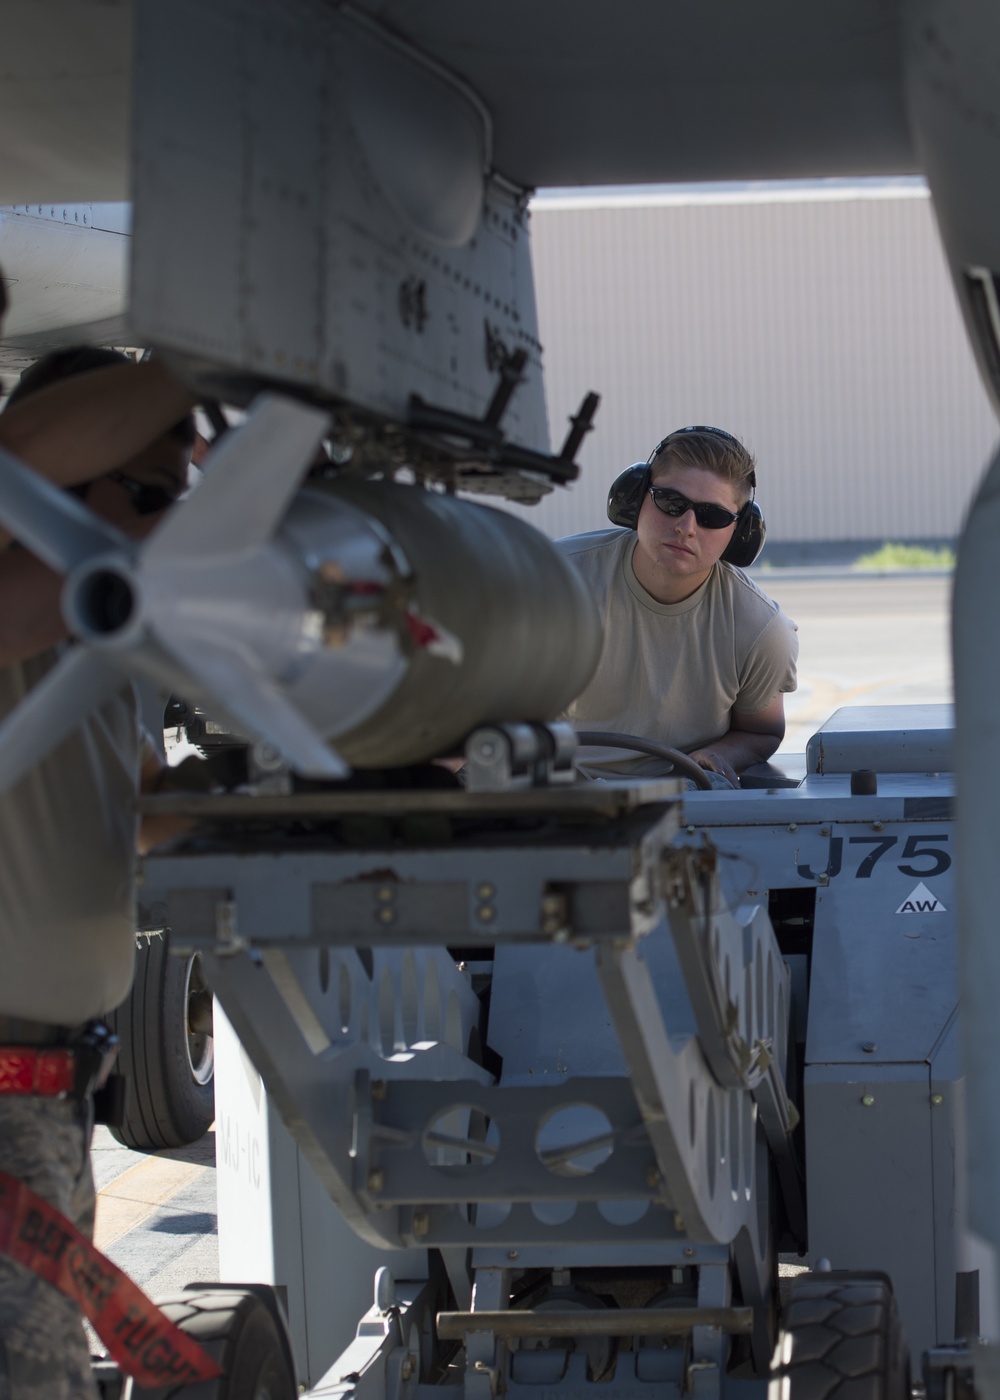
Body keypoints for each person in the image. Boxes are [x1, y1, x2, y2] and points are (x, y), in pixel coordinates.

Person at [0, 327, 198, 1398]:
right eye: (153, 491)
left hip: (50, 1096)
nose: (174, 526)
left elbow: (130, 817)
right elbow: (18, 450)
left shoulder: (99, 644)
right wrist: (215, 357)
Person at [557, 426, 798, 787]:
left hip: (681, 807)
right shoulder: (552, 581)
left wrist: (723, 754)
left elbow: (762, 733)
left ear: (741, 532)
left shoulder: (760, 628)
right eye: (671, 503)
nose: (686, 527)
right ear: (636, 497)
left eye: (712, 517)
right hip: (549, 796)